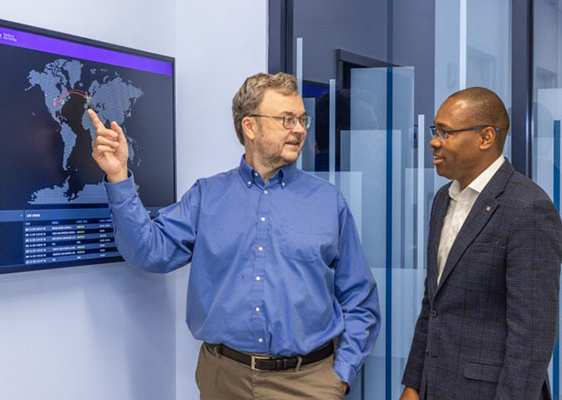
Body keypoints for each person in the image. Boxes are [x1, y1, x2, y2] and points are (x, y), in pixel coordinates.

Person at [88, 72, 380, 399]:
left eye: (301, 119)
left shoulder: (328, 202)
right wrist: (118, 176)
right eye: (286, 119)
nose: (299, 129)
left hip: (307, 383)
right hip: (223, 380)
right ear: (250, 126)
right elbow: (149, 252)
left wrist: (340, 375)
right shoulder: (206, 197)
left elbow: (360, 299)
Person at [400, 87, 562, 400]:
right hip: (436, 386)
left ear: (485, 138)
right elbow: (432, 304)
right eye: (436, 130)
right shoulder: (442, 200)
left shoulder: (528, 208)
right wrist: (414, 383)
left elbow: (531, 337)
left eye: (445, 132)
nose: (434, 141)